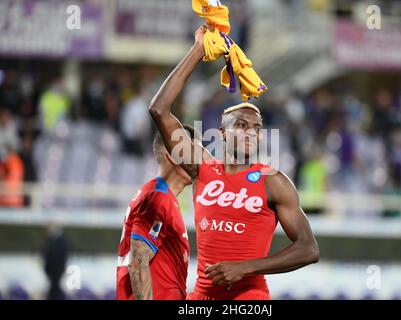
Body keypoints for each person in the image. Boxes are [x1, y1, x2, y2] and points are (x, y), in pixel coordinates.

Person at [149, 25, 319, 300]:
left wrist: (246, 268)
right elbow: (159, 109)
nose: (251, 132)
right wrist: (198, 50)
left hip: (248, 297)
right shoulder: (201, 167)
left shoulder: (273, 181)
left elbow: (309, 249)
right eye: (241, 125)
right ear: (223, 134)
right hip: (202, 296)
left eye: (257, 127)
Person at [116, 124, 195, 300]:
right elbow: (137, 263)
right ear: (173, 157)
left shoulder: (159, 195)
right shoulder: (159, 198)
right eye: (191, 151)